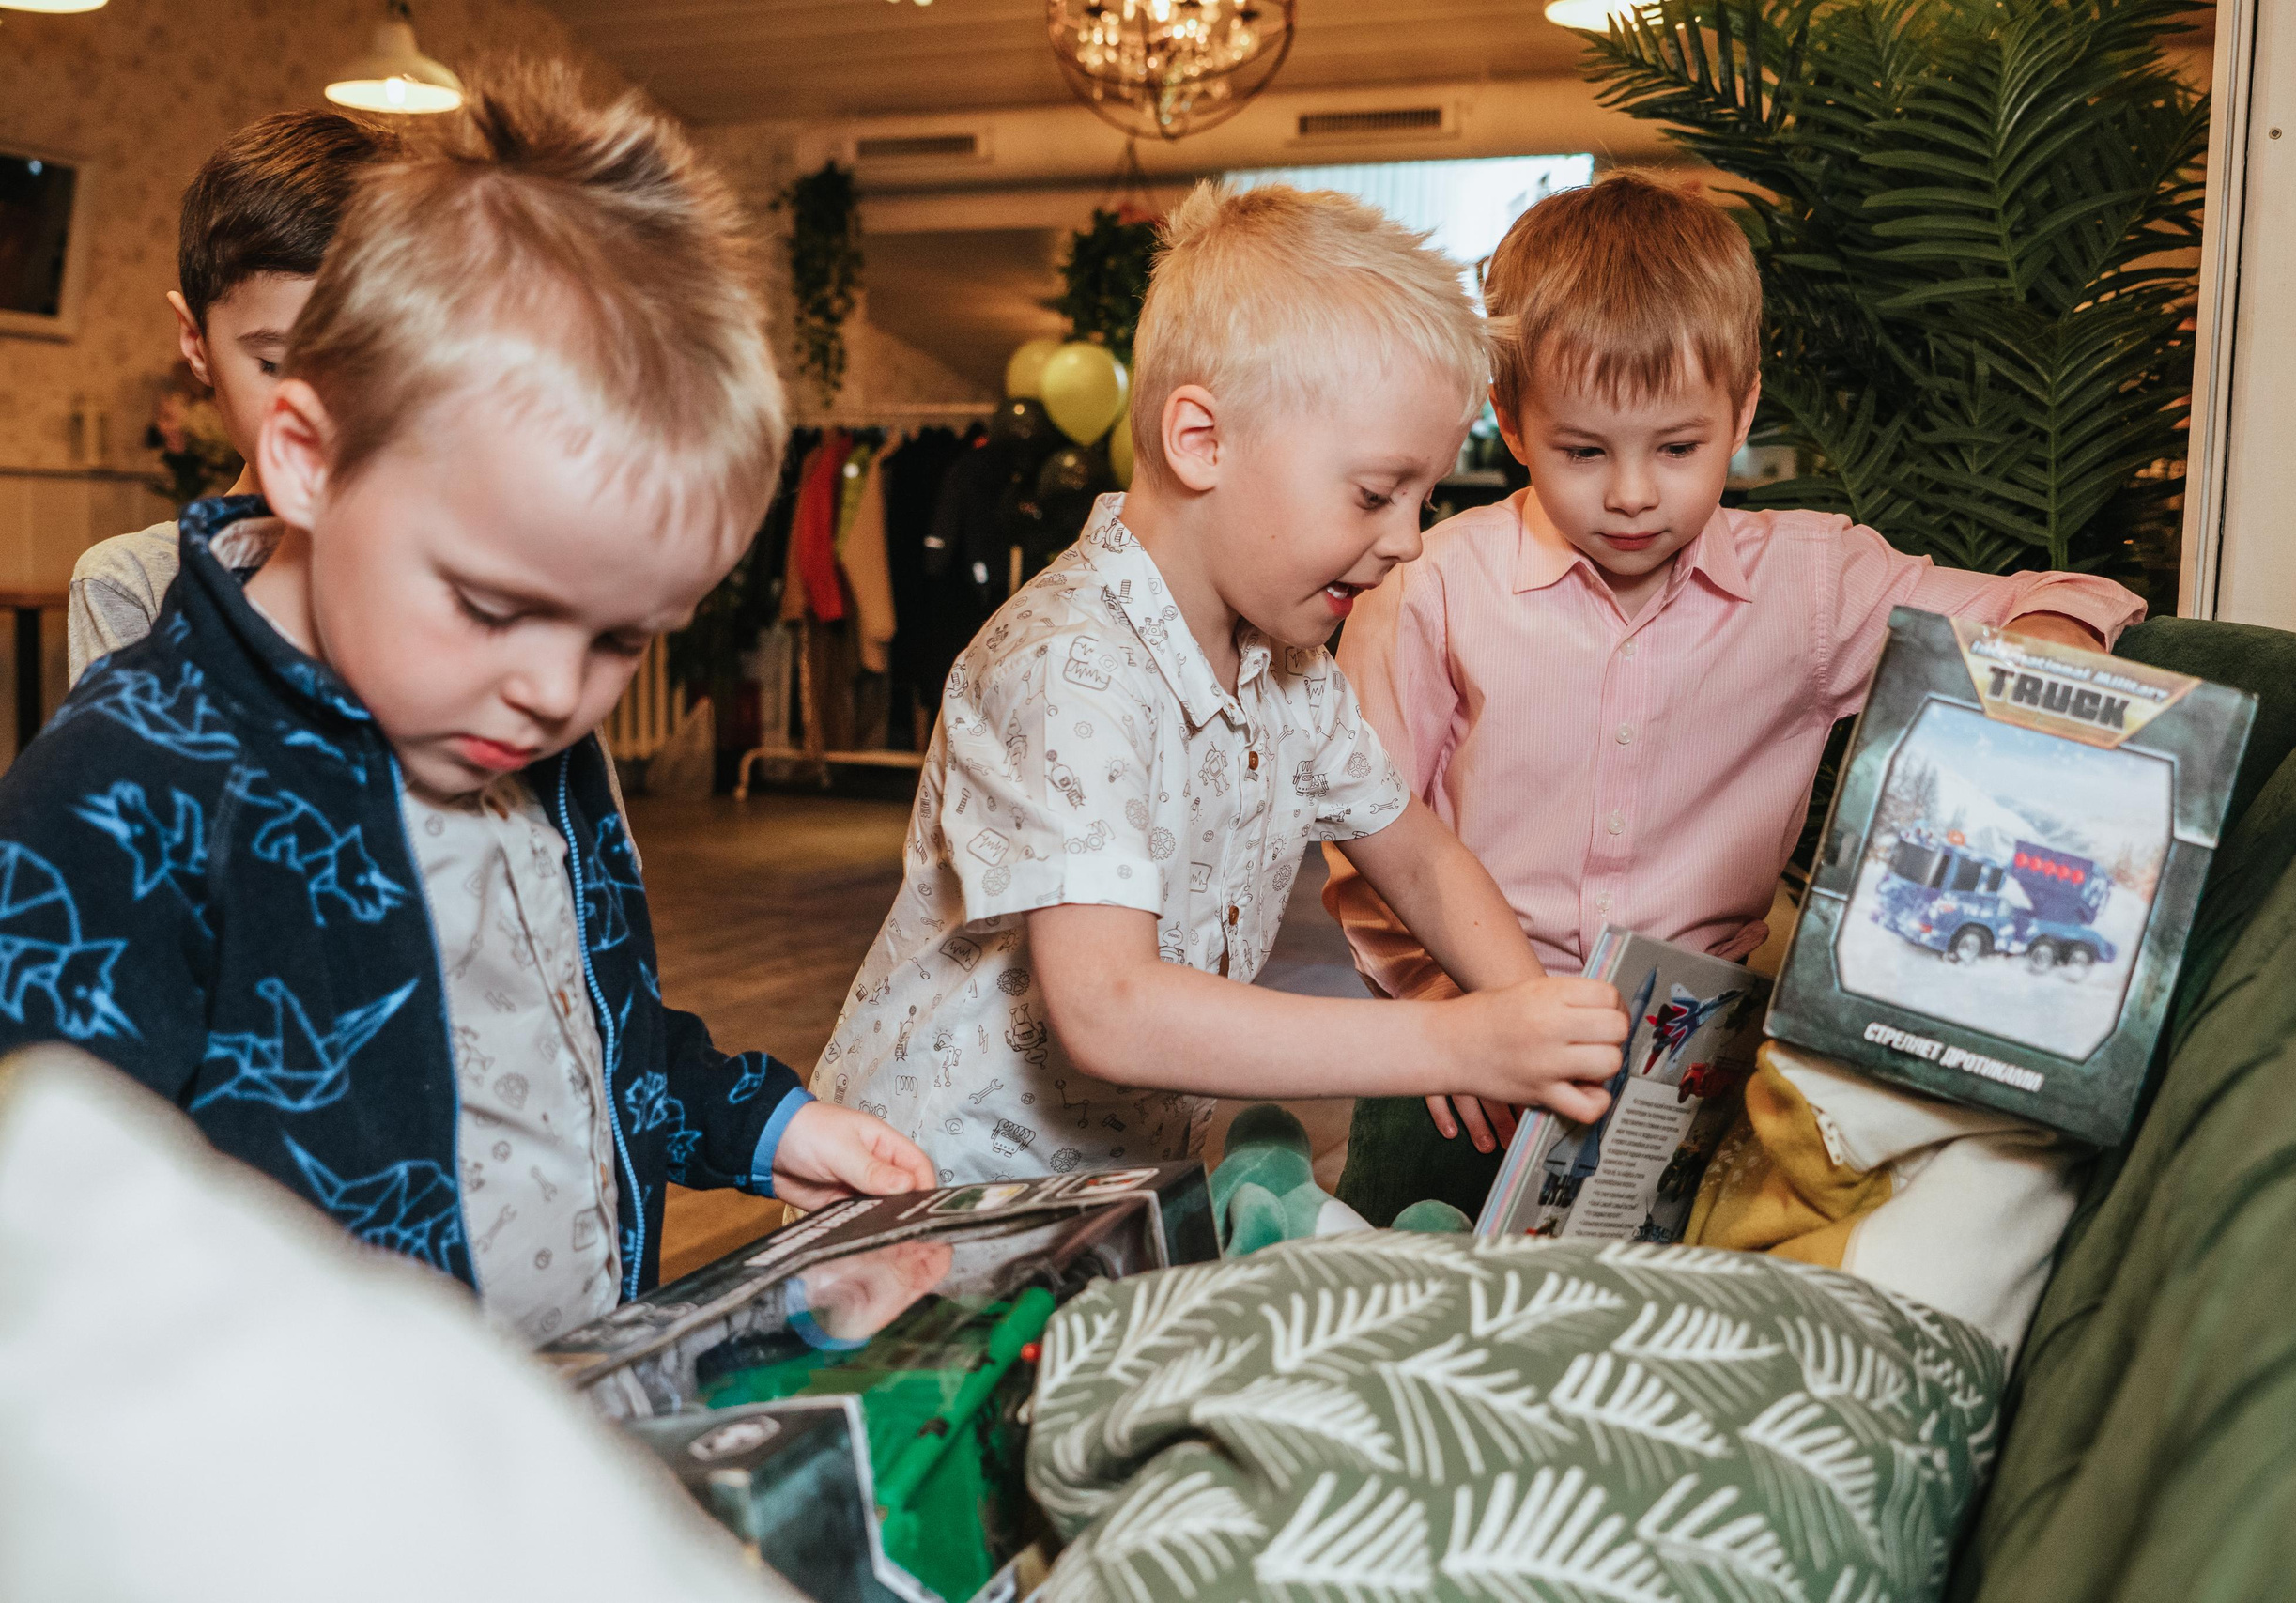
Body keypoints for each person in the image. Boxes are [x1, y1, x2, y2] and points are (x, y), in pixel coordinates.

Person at [0, 66, 932, 1341]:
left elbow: (577, 1026)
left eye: (620, 636)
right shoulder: (122, 793)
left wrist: (764, 1124)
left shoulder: (509, 730)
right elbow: (55, 1255)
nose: (556, 690)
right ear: (309, 457)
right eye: (493, 607)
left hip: (563, 1399)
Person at [1324, 173, 2148, 1218]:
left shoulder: (1810, 583)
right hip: (1462, 1052)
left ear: (1743, 408)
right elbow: (1368, 837)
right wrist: (1439, 1005)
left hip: (1694, 1069)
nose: (1631, 494)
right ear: (1511, 419)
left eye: (1678, 448)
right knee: (1396, 1294)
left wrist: (2045, 651)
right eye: (1583, 451)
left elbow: (2057, 595)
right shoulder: (1431, 586)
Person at [814, 184, 1629, 1188]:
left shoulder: (1290, 671)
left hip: (1103, 1193)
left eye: (1421, 498)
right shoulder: (1063, 664)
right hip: (928, 1206)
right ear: (1200, 440)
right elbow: (1110, 1008)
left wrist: (1531, 1027)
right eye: (1376, 493)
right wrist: (1459, 1045)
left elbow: (1417, 858)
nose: (1408, 539)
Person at [68, 111, 400, 685]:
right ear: (196, 342)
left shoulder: (468, 570)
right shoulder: (134, 585)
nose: (322, 411)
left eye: (371, 363)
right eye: (275, 365)